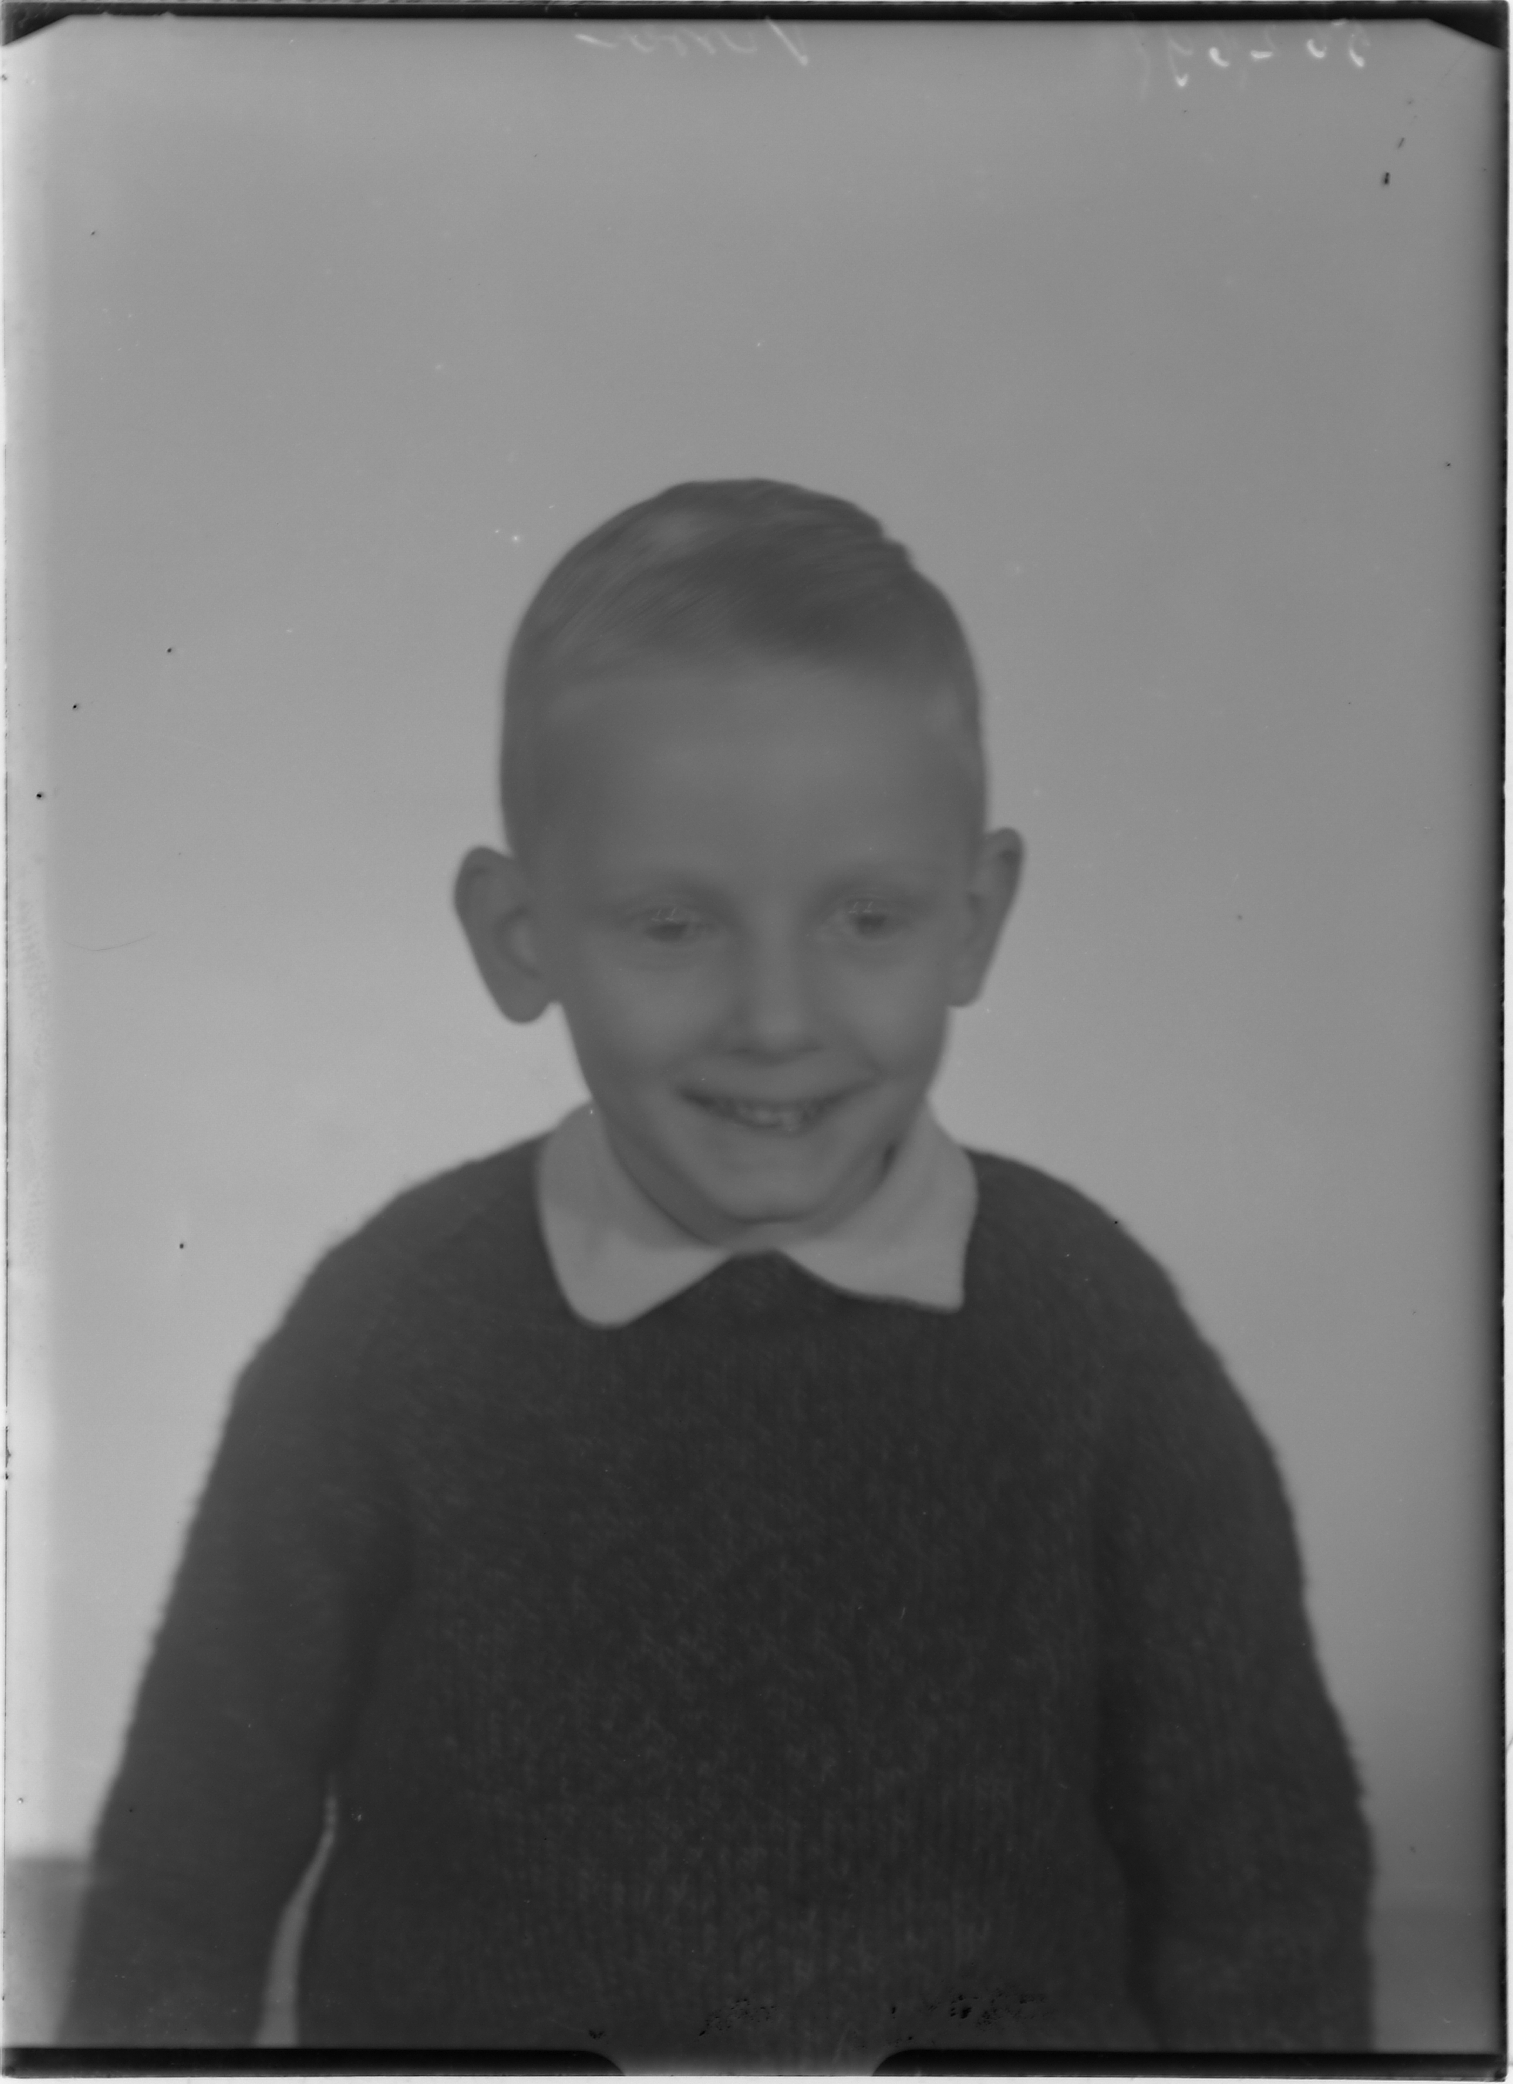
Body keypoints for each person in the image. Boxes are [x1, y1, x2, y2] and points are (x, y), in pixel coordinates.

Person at [61, 480, 1373, 2064]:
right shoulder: (391, 1328)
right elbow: (194, 1836)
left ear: (974, 921)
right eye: (672, 924)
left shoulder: (1090, 1327)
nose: (774, 1017)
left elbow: (1257, 1847)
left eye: (866, 918)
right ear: (519, 935)